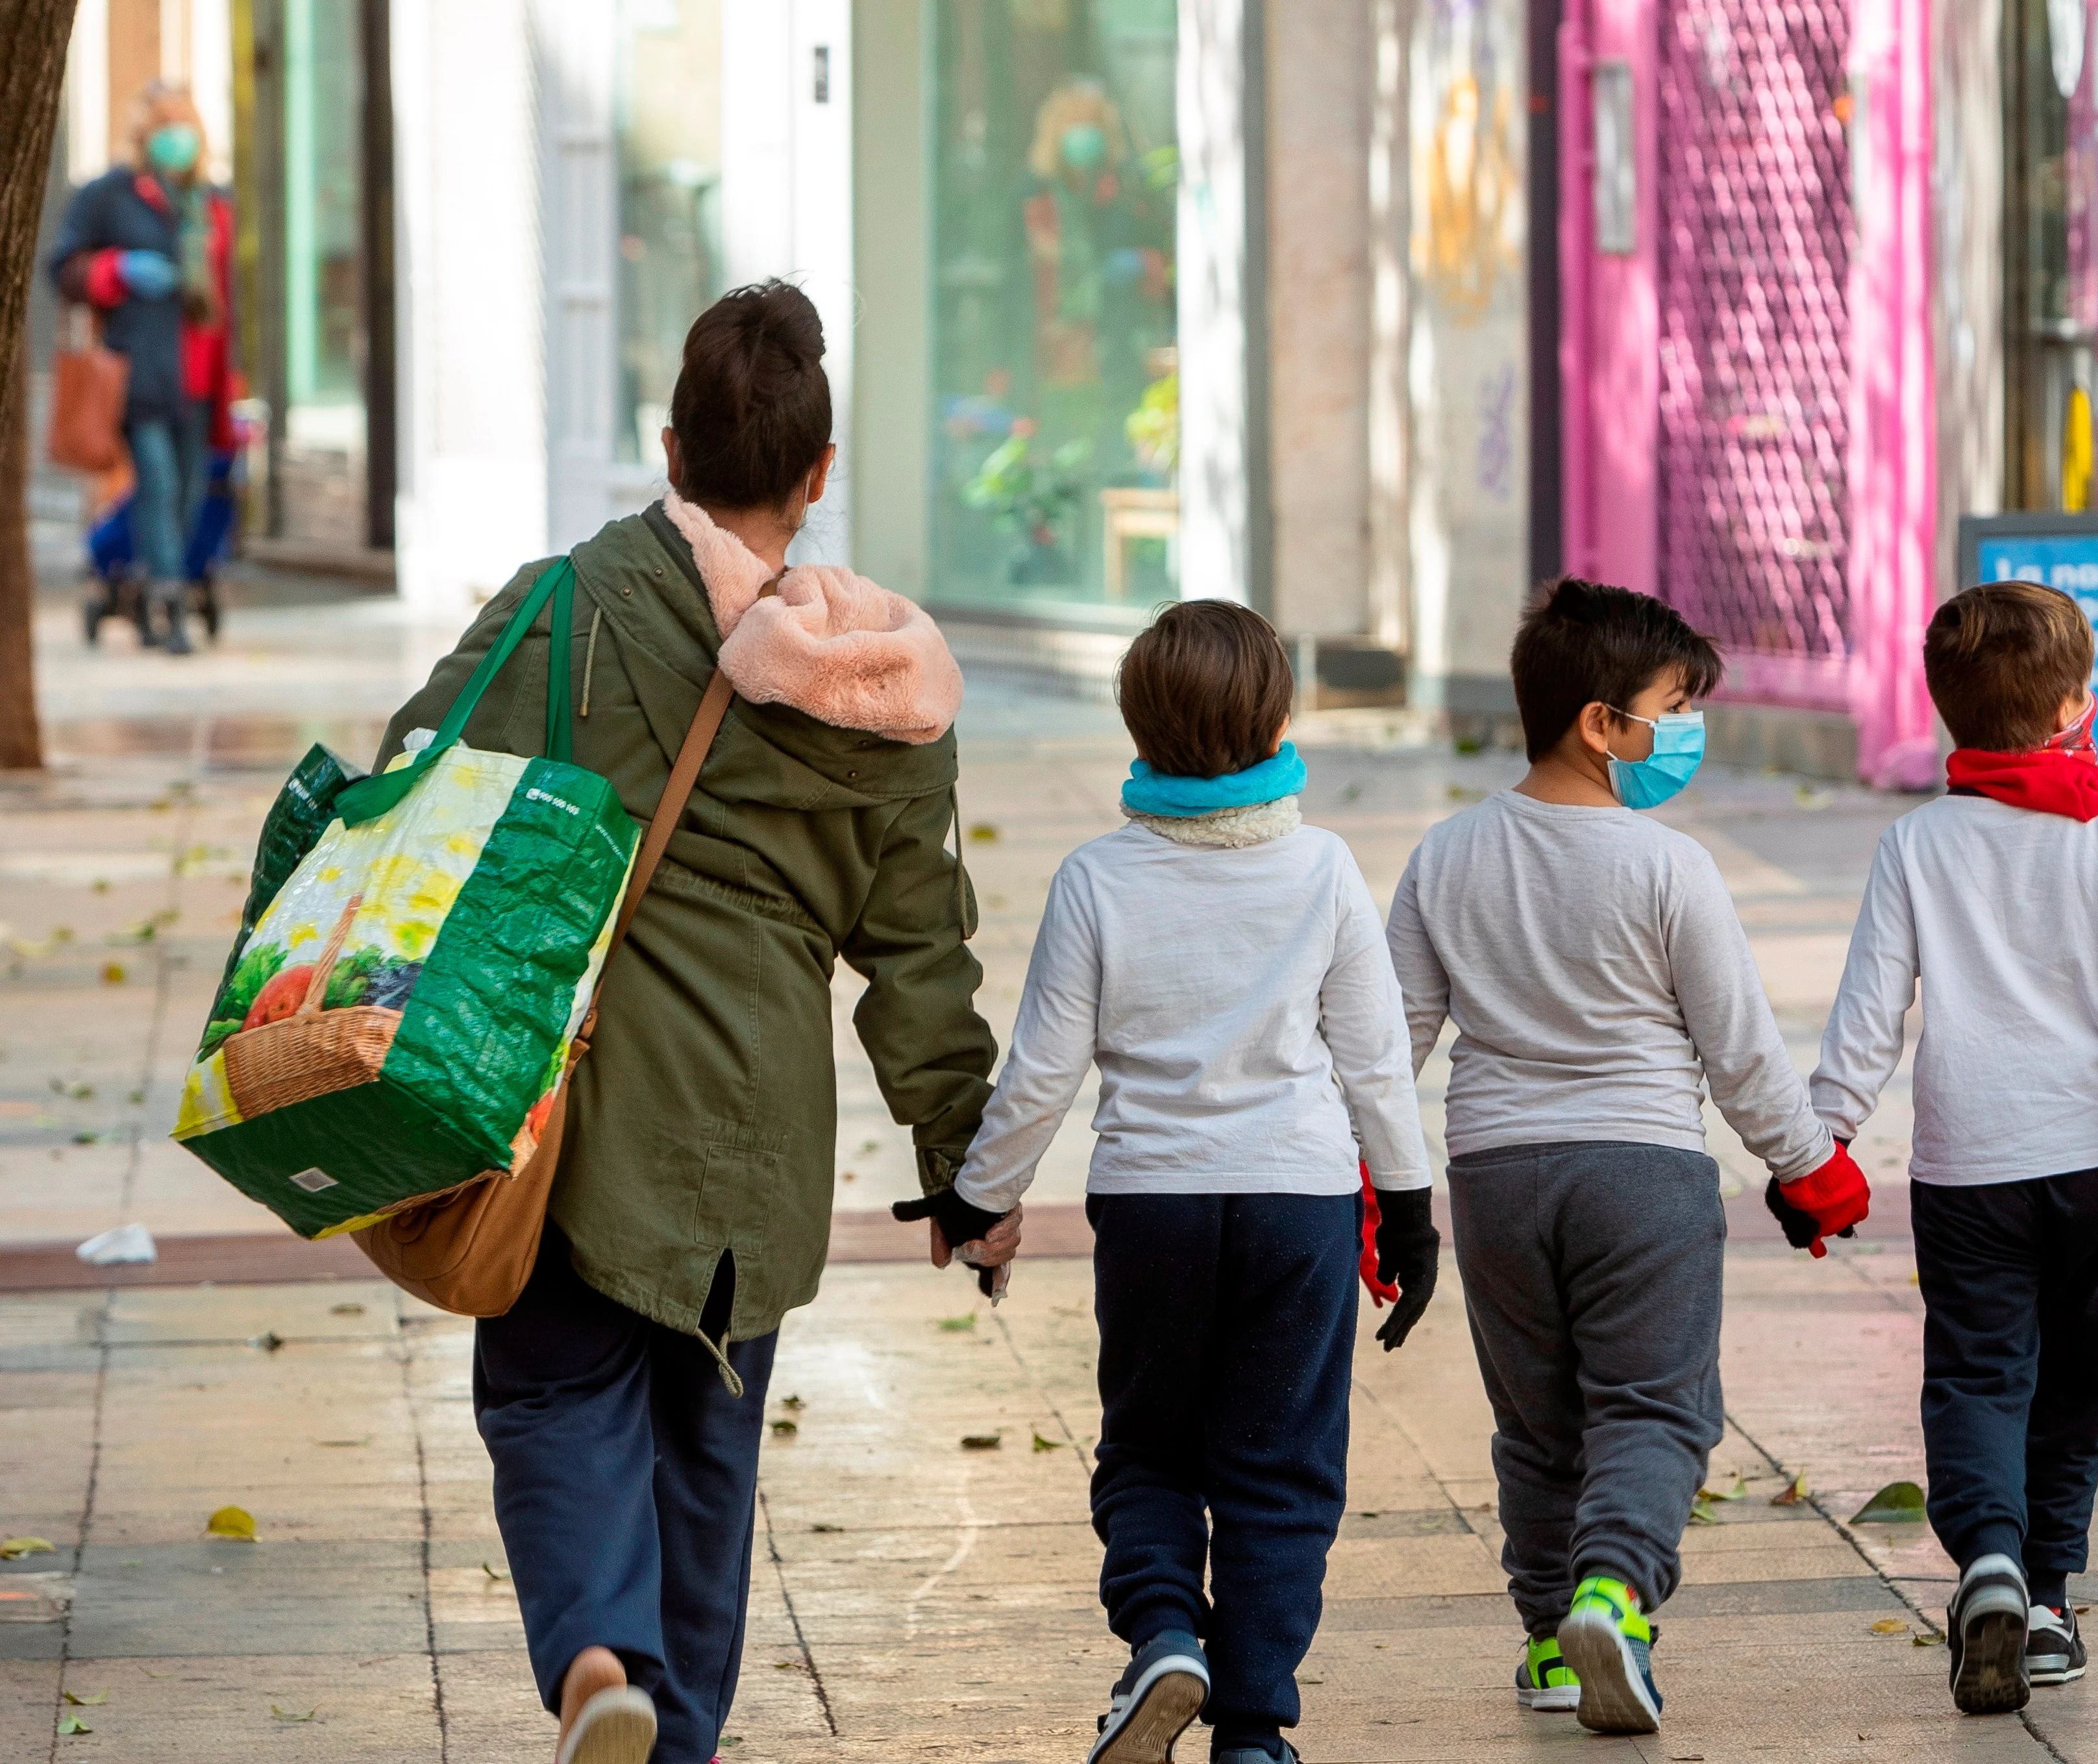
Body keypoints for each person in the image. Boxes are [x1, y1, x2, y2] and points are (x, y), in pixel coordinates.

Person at [378, 282, 998, 1764]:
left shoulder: (570, 604)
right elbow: (919, 946)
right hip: (755, 1141)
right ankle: (678, 1730)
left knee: (552, 1395)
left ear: (669, 445)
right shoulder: (888, 686)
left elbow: (416, 773)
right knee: (708, 1453)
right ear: (818, 472)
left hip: (569, 1107)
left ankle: (596, 1656)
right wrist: (963, 1157)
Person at [940, 600, 1437, 1764]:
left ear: (1138, 723)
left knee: (1152, 1446)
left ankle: (1166, 1630)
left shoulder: (1096, 876)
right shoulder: (1322, 869)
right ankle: (1253, 1722)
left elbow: (1044, 1069)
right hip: (1301, 1207)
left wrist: (981, 1196)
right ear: (1275, 716)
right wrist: (1409, 1214)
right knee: (1282, 1462)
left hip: (1153, 1207)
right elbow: (1374, 1061)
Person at [1383, 579, 1868, 1736]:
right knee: (1654, 1410)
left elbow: (1384, 1043)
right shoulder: (1668, 867)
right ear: (1602, 723)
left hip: (1495, 1176)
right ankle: (1613, 1592)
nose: (1686, 729)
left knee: (1536, 1422)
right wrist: (1810, 1171)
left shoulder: (1446, 853)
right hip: (1642, 1172)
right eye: (1674, 705)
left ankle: (1552, 1637)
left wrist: (1365, 1176)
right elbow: (1740, 1050)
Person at [1805, 580, 2098, 1717]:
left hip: (1967, 1165)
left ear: (1942, 714)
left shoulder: (1916, 842)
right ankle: (2051, 1602)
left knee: (1977, 1372)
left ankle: (1989, 1558)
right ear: (2076, 705)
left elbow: (1867, 1017)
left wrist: (1818, 1141)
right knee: (2078, 1382)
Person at [52, 81, 236, 654]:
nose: (176, 138)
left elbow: (230, 292)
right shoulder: (110, 195)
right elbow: (62, 266)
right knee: (155, 484)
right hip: (137, 371)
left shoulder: (212, 202)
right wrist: (117, 270)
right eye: (164, 126)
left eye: (185, 124)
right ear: (143, 134)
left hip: (200, 373)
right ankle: (168, 605)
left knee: (187, 493)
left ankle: (144, 582)